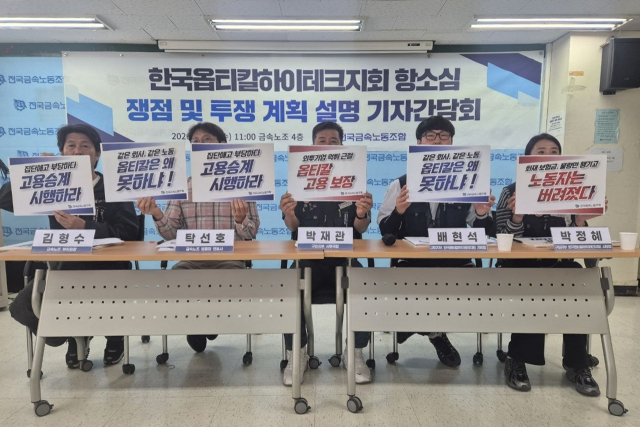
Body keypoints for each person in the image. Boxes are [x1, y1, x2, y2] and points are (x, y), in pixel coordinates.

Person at [5, 124, 139, 368]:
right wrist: (33, 171)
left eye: (85, 146)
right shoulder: (51, 182)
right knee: (22, 306)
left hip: (110, 269)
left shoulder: (114, 186)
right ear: (62, 153)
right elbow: (4, 199)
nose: (78, 151)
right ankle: (74, 334)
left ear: (97, 155)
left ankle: (115, 336)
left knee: (107, 297)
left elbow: (129, 232)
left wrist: (85, 226)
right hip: (64, 269)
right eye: (71, 146)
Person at [377, 115, 495, 368]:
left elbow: (483, 233)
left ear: (452, 143)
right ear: (418, 143)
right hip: (412, 262)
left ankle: (415, 326)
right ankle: (435, 333)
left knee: (465, 290)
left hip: (456, 261)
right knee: (412, 286)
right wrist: (398, 211)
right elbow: (385, 230)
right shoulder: (401, 184)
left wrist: (481, 213)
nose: (438, 141)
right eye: (430, 136)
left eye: (444, 136)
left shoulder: (468, 182)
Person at [496, 133, 606, 396]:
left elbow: (579, 242)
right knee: (531, 288)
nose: (548, 156)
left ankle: (577, 364)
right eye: (541, 151)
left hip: (559, 263)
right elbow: (500, 236)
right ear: (527, 158)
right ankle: (517, 359)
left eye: (554, 151)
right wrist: (517, 216)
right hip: (520, 266)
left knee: (581, 286)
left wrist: (581, 221)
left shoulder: (573, 188)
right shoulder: (510, 191)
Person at [137, 122, 260, 354]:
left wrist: (240, 219)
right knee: (175, 283)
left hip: (230, 260)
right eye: (195, 142)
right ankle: (201, 324)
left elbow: (251, 233)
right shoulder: (183, 186)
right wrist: (157, 213)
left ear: (222, 146)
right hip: (190, 261)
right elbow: (171, 234)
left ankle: (207, 323)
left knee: (229, 285)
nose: (200, 146)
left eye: (207, 140)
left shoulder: (241, 184)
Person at [279, 121, 374, 385]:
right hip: (307, 260)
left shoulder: (354, 183)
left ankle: (355, 351)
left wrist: (361, 213)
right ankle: (296, 352)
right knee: (289, 287)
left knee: (365, 284)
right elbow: (293, 227)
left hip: (344, 260)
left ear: (342, 146)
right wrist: (289, 212)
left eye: (334, 141)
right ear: (312, 145)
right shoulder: (299, 182)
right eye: (322, 141)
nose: (328, 145)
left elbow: (360, 228)